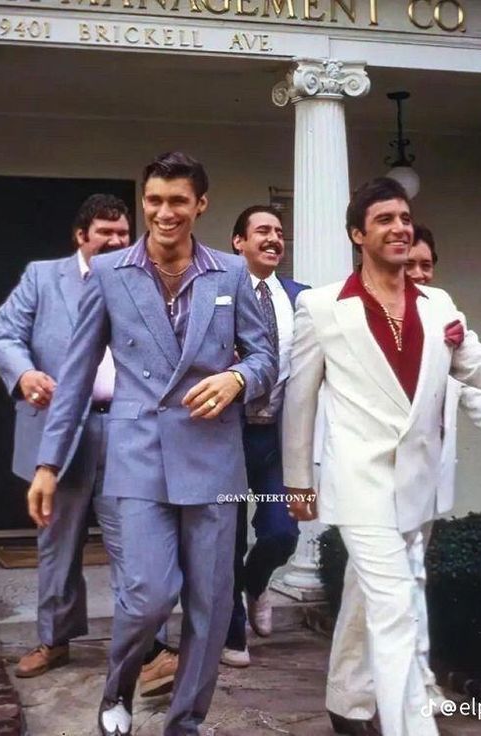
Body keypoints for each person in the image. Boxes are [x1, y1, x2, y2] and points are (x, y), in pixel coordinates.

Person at [282, 178, 481, 736]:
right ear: (356, 234)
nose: (399, 227)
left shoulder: (438, 304)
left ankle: (347, 702)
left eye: (404, 217)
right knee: (395, 611)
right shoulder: (320, 308)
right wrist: (298, 481)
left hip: (416, 484)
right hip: (359, 484)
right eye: (385, 219)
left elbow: (478, 367)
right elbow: (299, 402)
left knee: (369, 595)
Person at [27, 152, 277, 736]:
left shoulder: (231, 274)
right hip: (137, 457)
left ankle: (185, 722)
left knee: (213, 610)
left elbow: (267, 357)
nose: (165, 213)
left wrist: (238, 378)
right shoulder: (111, 272)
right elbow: (76, 376)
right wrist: (47, 463)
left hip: (213, 461)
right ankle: (117, 687)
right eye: (155, 201)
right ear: (144, 202)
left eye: (178, 202)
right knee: (148, 596)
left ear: (200, 206)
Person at [0, 194, 184, 689]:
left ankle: (150, 647)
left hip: (127, 431)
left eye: (123, 234)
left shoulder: (142, 278)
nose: (117, 242)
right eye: (106, 234)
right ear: (81, 236)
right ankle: (53, 640)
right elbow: (1, 333)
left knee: (136, 542)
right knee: (58, 543)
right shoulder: (41, 277)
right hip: (60, 430)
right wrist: (24, 372)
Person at [221, 206, 309, 668]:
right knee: (226, 538)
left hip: (277, 437)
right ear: (239, 242)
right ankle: (232, 633)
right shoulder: (216, 293)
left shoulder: (302, 298)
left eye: (279, 232)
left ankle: (256, 584)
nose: (274, 238)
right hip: (226, 439)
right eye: (262, 231)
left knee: (281, 530)